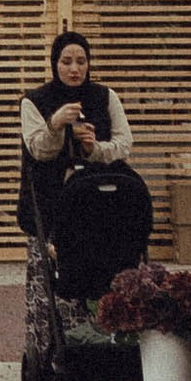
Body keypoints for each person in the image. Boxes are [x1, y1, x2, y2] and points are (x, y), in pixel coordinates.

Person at [18, 31, 133, 240]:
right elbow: (38, 151)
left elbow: (124, 145)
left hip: (100, 200)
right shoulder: (33, 101)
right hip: (49, 201)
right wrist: (55, 125)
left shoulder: (106, 96)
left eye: (81, 62)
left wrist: (94, 149)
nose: (74, 69)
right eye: (66, 62)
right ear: (55, 64)